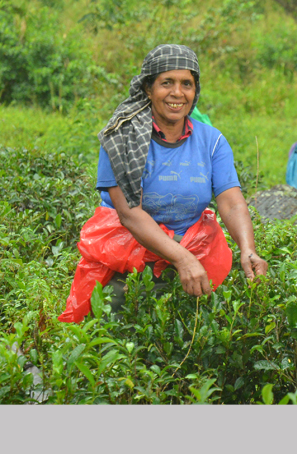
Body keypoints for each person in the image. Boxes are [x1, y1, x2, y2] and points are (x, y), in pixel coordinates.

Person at [58, 44, 268, 323]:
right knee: (114, 337)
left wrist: (247, 248)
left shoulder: (211, 140)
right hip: (127, 259)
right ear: (148, 88)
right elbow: (130, 214)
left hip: (192, 255)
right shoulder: (119, 139)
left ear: (195, 91)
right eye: (166, 82)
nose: (177, 93)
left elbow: (230, 202)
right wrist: (182, 259)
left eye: (187, 84)